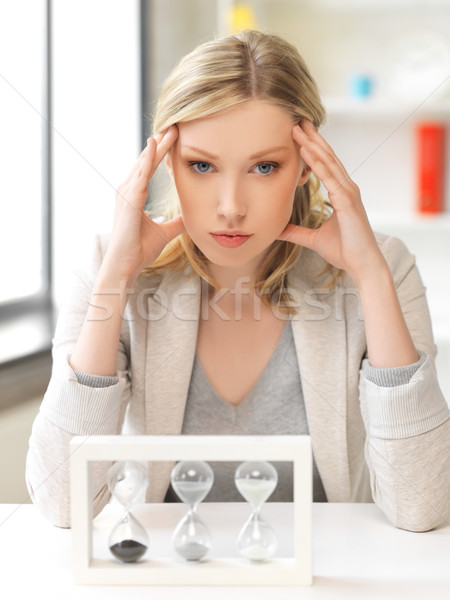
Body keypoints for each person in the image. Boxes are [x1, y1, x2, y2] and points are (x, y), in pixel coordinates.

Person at [26, 30, 449, 531]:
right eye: (201, 165)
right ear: (164, 163)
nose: (230, 206)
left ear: (307, 167)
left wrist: (371, 276)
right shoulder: (109, 265)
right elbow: (61, 502)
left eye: (264, 166)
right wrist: (116, 275)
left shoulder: (383, 267)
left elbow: (420, 507)